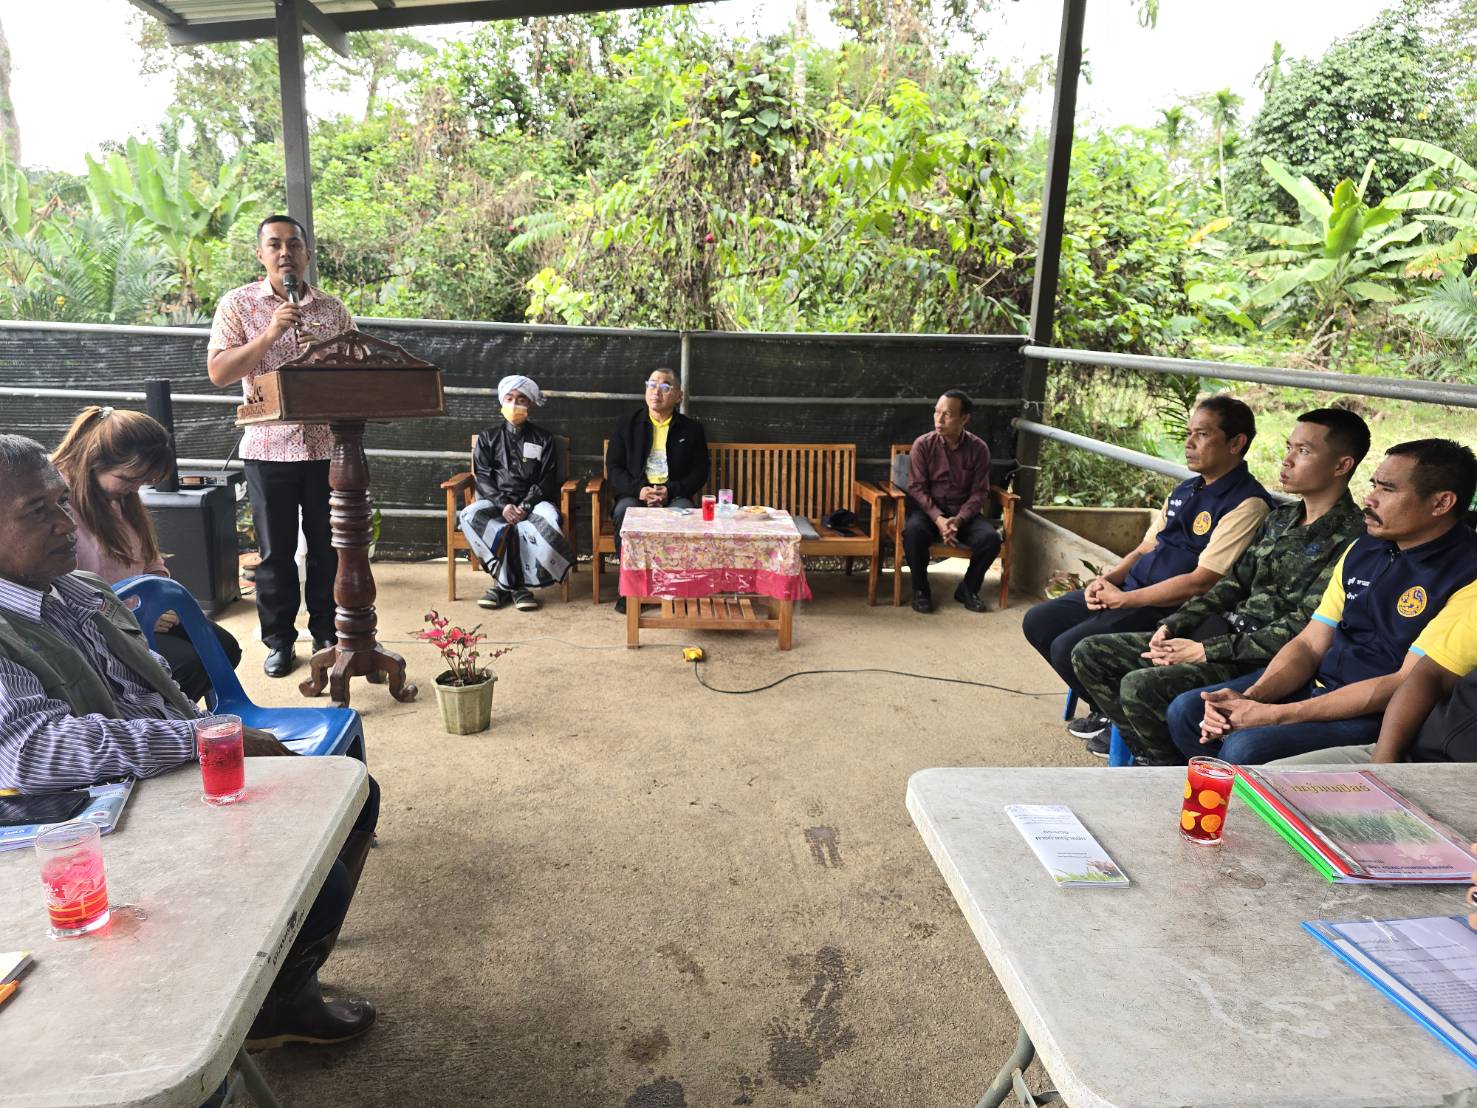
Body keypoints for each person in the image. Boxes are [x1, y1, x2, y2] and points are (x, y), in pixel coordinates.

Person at [0, 434, 376, 1047]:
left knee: (355, 797)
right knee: (320, 875)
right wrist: (203, 737)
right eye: (37, 511)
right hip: (89, 822)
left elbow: (154, 686)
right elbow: (36, 751)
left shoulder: (79, 589)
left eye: (62, 501)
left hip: (157, 777)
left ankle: (279, 975)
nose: (66, 522)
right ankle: (274, 1005)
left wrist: (209, 739)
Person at [1070, 409, 1369, 761]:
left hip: (1267, 659)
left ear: (1341, 465)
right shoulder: (1281, 518)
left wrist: (1206, 650)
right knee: (1090, 654)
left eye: (1303, 451)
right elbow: (1233, 583)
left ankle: (1169, 765)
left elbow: (1302, 628)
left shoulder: (1353, 538)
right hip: (1224, 634)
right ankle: (1155, 755)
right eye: (1289, 447)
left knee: (1140, 686)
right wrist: (1173, 625)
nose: (1287, 460)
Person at [1167, 438, 1477, 764]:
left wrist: (1275, 715)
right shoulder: (1365, 548)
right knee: (1188, 711)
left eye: (1387, 489)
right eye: (1373, 485)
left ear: (1441, 503)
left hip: (1377, 713)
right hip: (1319, 685)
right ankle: (1226, 788)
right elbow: (1311, 643)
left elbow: (1404, 682)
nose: (1369, 498)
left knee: (1246, 747)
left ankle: (1249, 792)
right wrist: (1250, 698)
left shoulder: (1466, 574)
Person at [1022, 396, 1275, 740]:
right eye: (1189, 433)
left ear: (1236, 443)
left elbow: (1202, 582)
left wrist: (1125, 600)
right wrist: (1106, 581)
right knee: (1039, 621)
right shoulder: (1186, 490)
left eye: (1202, 434)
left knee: (1068, 647)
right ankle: (1105, 708)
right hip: (1131, 592)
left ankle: (1124, 725)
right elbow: (1146, 547)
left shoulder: (1247, 504)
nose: (1189, 443)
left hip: (1172, 609)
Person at [207, 214, 349, 679]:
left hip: (326, 446)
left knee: (328, 548)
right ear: (261, 254)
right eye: (275, 244)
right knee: (276, 553)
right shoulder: (238, 304)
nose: (285, 252)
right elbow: (219, 372)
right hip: (268, 448)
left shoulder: (332, 309)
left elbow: (356, 367)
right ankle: (280, 641)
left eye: (293, 244)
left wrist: (325, 352)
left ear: (307, 253)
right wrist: (270, 333)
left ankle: (327, 634)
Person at [50, 405, 243, 703]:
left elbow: (152, 561)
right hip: (99, 629)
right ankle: (159, 720)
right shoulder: (57, 509)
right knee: (186, 667)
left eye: (142, 482)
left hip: (140, 613)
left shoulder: (118, 497)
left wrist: (157, 603)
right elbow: (63, 596)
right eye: (129, 479)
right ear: (92, 460)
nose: (135, 489)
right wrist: (134, 615)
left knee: (223, 648)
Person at [1270, 594, 1476, 765]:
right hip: (1410, 749)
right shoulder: (1359, 557)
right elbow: (1431, 674)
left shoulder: (1462, 576)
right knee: (1265, 780)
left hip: (1370, 715)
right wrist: (1384, 762)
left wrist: (1278, 714)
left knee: (1252, 746)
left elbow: (1401, 678)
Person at [458, 375, 575, 612]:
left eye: (521, 399)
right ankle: (516, 588)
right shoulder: (488, 437)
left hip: (534, 502)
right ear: (502, 401)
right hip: (496, 503)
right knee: (469, 515)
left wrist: (526, 505)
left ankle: (505, 587)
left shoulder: (543, 438)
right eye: (509, 398)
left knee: (549, 519)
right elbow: (483, 476)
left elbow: (547, 478)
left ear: (529, 403)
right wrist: (503, 505)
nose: (514, 405)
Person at [606, 367, 710, 615]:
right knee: (624, 512)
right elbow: (614, 467)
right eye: (652, 385)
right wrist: (640, 490)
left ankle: (675, 588)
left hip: (674, 495)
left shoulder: (692, 429)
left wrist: (670, 490)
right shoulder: (627, 424)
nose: (656, 391)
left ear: (679, 396)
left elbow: (700, 472)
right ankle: (630, 590)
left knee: (684, 514)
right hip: (636, 494)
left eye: (665, 386)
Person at [903, 390, 1002, 613]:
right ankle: (921, 590)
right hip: (929, 513)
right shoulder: (923, 445)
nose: (939, 419)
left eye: (946, 414)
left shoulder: (978, 449)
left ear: (964, 418)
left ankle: (968, 589)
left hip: (963, 515)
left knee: (991, 539)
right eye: (936, 412)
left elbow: (979, 492)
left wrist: (958, 520)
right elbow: (916, 488)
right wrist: (939, 519)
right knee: (913, 532)